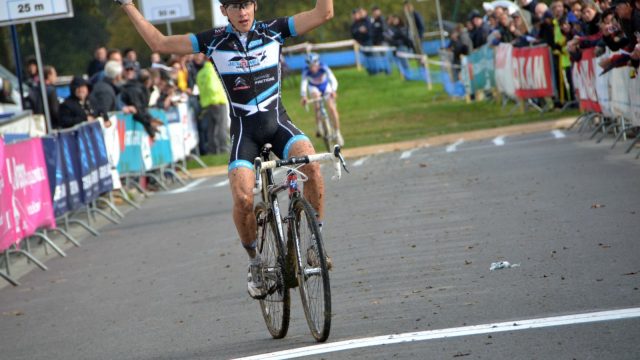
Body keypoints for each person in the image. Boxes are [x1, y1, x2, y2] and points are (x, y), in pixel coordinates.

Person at [116, 0, 334, 299]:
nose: (242, 12)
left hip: (278, 124)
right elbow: (159, 42)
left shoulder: (276, 30)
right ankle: (256, 262)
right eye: (234, 6)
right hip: (245, 133)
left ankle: (314, 246)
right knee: (244, 197)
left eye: (246, 5)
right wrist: (128, 5)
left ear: (254, 5)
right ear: (224, 11)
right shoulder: (213, 41)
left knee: (310, 163)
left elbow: (324, 13)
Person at [300, 53, 343, 147]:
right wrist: (304, 96)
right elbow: (304, 84)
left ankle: (337, 133)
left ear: (317, 63)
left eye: (314, 65)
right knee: (316, 103)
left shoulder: (324, 67)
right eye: (310, 66)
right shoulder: (306, 71)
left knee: (332, 108)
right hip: (314, 88)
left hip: (325, 86)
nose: (312, 68)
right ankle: (319, 126)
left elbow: (333, 79)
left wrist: (333, 90)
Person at [195, 52, 230, 154]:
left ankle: (213, 150)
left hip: (206, 103)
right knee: (221, 127)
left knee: (211, 129)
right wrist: (215, 99)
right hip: (217, 101)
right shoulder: (212, 70)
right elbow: (212, 86)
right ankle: (223, 148)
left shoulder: (200, 73)